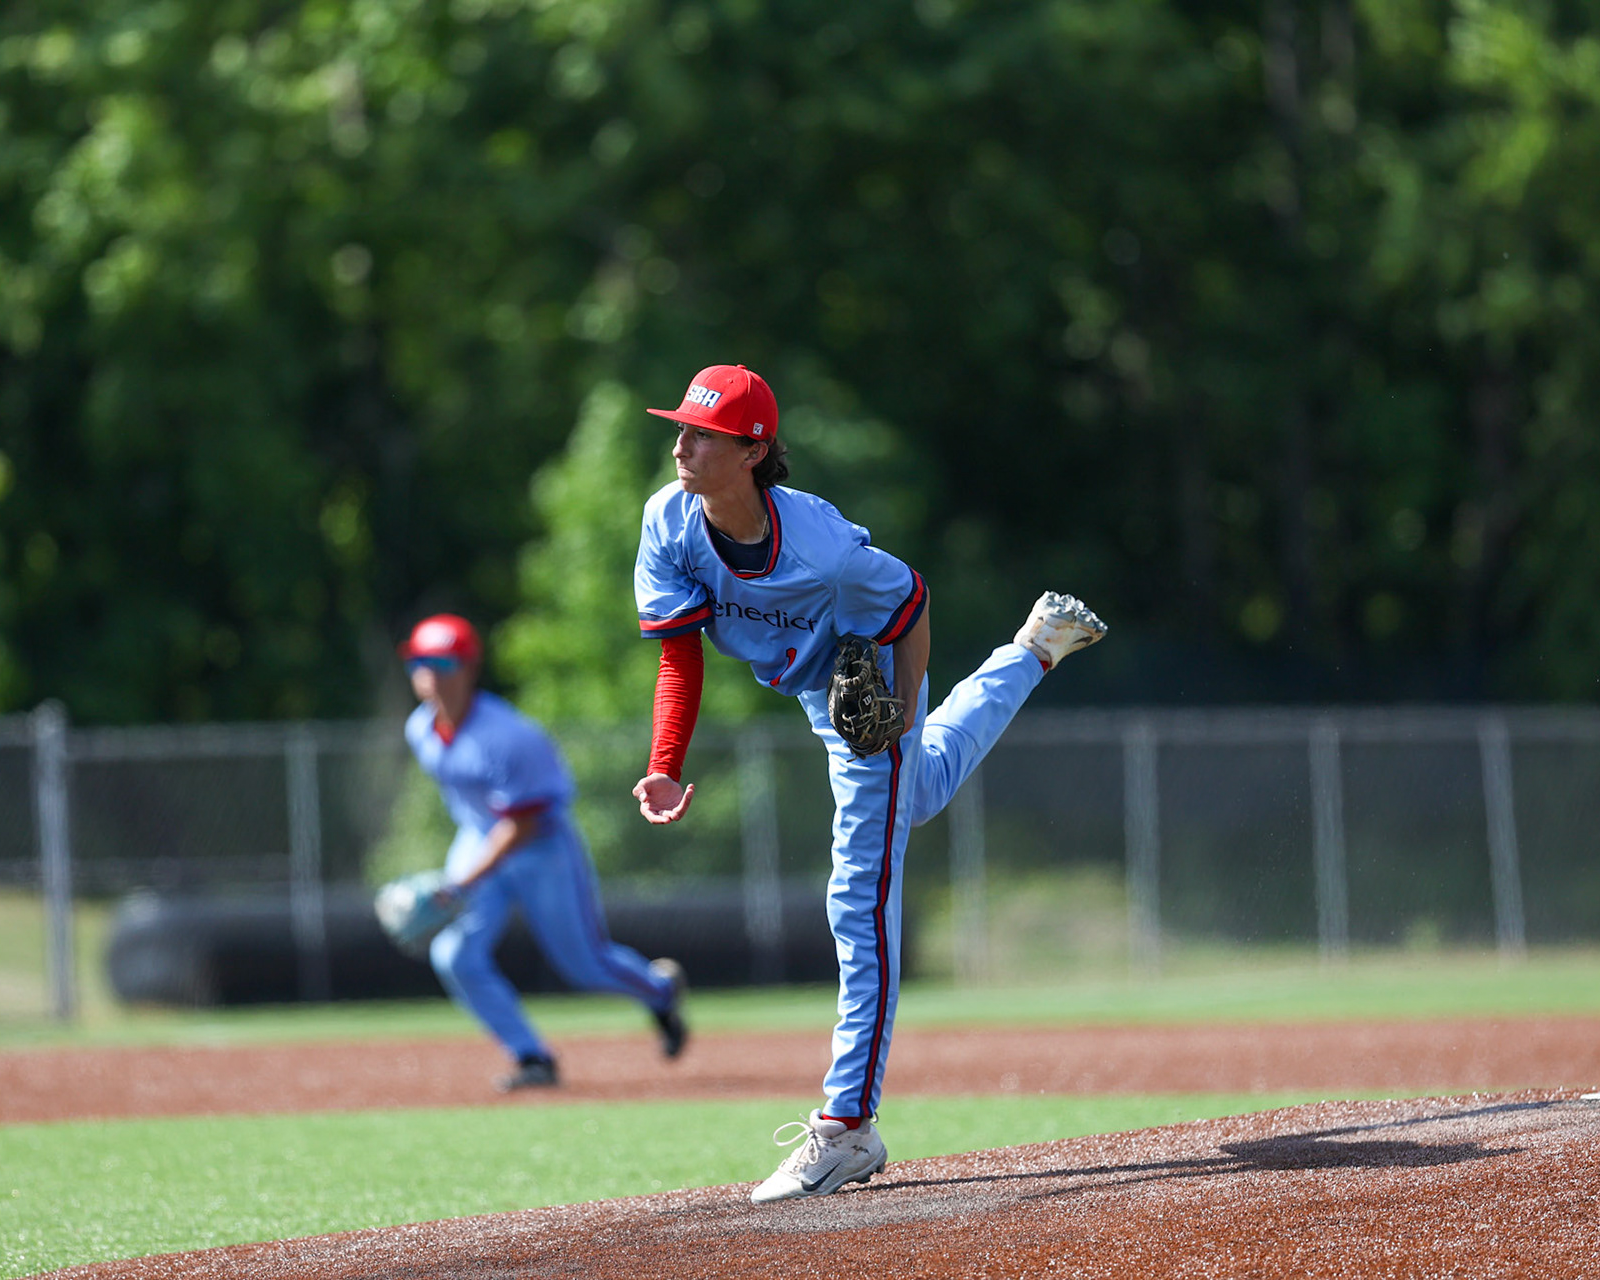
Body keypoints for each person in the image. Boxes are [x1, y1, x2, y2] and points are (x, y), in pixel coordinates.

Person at [629, 364, 1105, 1203]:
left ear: (753, 451)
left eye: (702, 432)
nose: (681, 444)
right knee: (915, 797)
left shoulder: (823, 550)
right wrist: (665, 764)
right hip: (817, 686)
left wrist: (900, 713)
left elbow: (913, 601)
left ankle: (846, 1126)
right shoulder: (670, 523)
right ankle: (1034, 646)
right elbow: (679, 654)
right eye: (682, 427)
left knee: (858, 898)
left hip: (871, 678)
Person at [388, 612, 688, 1091]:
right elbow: (477, 813)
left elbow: (522, 823)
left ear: (467, 667)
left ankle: (660, 990)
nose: (429, 673)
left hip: (541, 848)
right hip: (480, 840)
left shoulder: (509, 736)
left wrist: (459, 884)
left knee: (584, 964)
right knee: (455, 955)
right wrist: (458, 874)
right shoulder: (420, 730)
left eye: (442, 661)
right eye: (420, 661)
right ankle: (532, 1057)